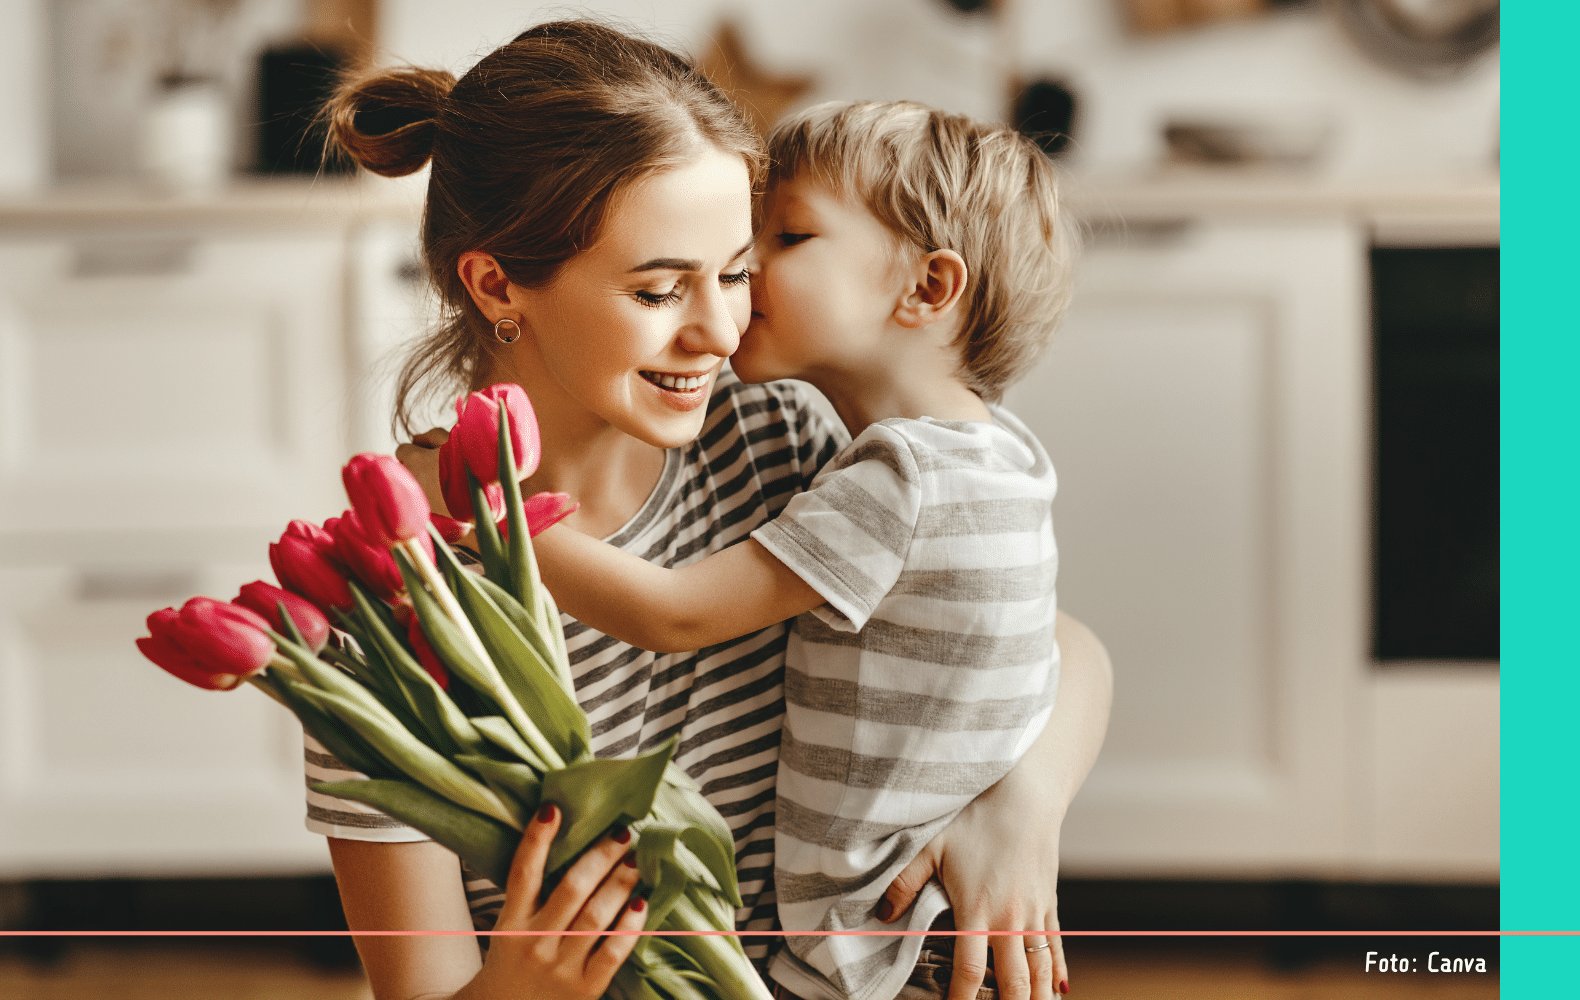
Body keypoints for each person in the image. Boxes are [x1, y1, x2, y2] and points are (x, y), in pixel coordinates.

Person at [312, 21, 1111, 1000]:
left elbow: (1044, 637)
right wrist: (524, 982)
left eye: (736, 273)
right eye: (660, 290)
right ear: (495, 284)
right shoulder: (396, 615)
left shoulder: (774, 442)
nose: (722, 331)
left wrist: (1021, 808)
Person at [523, 99, 1072, 1000]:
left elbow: (675, 613)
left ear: (928, 288)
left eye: (788, 237)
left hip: (882, 949)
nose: (748, 269)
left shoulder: (902, 482)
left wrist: (484, 511)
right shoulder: (1001, 453)